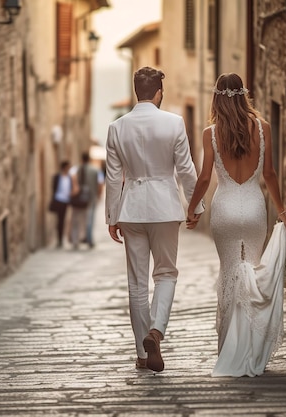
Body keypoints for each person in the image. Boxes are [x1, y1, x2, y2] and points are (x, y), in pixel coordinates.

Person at [186, 73, 286, 377]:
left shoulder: (210, 133)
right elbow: (269, 174)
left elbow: (205, 178)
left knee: (230, 273)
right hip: (255, 209)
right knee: (253, 273)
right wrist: (281, 210)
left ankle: (229, 350)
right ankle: (250, 349)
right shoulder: (262, 128)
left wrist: (192, 209)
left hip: (225, 210)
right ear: (244, 94)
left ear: (217, 98)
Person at [105, 66, 205, 372]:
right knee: (166, 274)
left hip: (132, 209)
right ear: (158, 92)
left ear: (137, 91)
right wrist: (195, 207)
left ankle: (143, 354)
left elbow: (112, 179)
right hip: (164, 208)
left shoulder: (116, 128)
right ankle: (156, 331)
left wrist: (112, 215)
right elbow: (186, 169)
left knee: (136, 284)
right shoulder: (174, 123)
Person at [70, 152, 102, 250]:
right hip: (91, 198)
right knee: (89, 220)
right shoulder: (96, 170)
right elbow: (100, 184)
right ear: (89, 159)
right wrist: (98, 196)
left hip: (78, 198)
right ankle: (89, 239)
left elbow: (72, 182)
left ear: (82, 159)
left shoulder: (75, 169)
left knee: (76, 220)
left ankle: (75, 241)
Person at [50, 161, 72, 248]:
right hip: (58, 200)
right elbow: (54, 188)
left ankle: (62, 238)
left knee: (63, 220)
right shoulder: (57, 177)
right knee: (60, 220)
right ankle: (59, 240)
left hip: (66, 201)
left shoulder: (70, 177)